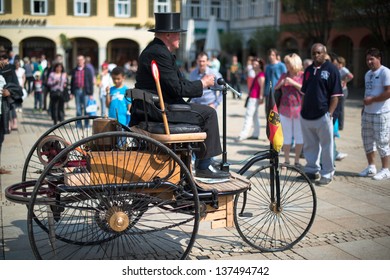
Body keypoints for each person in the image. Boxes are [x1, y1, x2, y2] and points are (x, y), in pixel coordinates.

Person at [131, 12, 229, 179]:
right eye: (177, 33)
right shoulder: (159, 53)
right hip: (160, 110)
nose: (180, 37)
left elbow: (177, 84)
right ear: (168, 35)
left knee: (201, 110)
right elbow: (177, 89)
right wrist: (203, 83)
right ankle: (204, 166)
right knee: (209, 114)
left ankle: (199, 163)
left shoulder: (154, 50)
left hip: (151, 108)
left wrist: (197, 85)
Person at [300, 43, 342, 186]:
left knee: (327, 146)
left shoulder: (332, 70)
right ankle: (311, 171)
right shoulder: (308, 70)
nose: (316, 55)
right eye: (313, 53)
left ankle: (327, 173)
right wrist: (302, 110)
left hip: (323, 115)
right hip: (306, 115)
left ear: (324, 53)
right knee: (310, 146)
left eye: (318, 53)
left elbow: (336, 96)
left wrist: (329, 114)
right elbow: (304, 92)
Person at [359, 48, 390, 180]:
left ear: (379, 59)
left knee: (382, 141)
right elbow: (368, 92)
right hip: (368, 113)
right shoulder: (367, 74)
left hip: (381, 113)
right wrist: (364, 107)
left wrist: (372, 100)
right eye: (367, 59)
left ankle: (386, 169)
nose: (369, 62)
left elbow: (389, 92)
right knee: (367, 141)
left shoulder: (385, 72)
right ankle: (371, 167)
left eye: (372, 58)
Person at [274, 53, 304, 167]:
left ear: (295, 64)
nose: (286, 65)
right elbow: (275, 88)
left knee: (298, 135)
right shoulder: (284, 75)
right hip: (284, 109)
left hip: (299, 109)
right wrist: (281, 83)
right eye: (286, 63)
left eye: (288, 63)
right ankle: (286, 160)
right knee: (286, 135)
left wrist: (293, 83)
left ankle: (297, 161)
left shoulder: (302, 75)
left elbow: (305, 89)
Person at [236, 57, 265, 142]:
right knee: (254, 116)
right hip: (253, 97)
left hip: (254, 97)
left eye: (256, 64)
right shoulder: (258, 74)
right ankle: (256, 134)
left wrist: (261, 97)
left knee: (248, 116)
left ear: (260, 66)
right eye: (253, 64)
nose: (254, 65)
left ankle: (243, 135)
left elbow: (262, 87)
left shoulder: (260, 75)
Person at [70, 55, 94, 129]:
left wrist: (91, 93)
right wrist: (71, 92)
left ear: (84, 61)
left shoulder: (88, 70)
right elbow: (72, 82)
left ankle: (87, 125)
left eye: (81, 60)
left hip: (85, 91)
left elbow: (90, 82)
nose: (80, 61)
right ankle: (78, 125)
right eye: (78, 60)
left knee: (86, 109)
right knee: (78, 109)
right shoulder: (74, 70)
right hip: (77, 90)